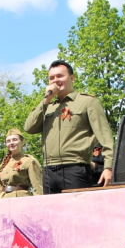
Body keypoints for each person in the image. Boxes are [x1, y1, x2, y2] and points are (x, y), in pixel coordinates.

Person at [24, 59, 114, 193]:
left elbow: (105, 137)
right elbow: (29, 128)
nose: (55, 80)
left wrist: (108, 167)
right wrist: (46, 100)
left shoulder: (88, 102)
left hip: (75, 169)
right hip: (49, 171)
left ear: (72, 78)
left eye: (60, 76)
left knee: (78, 207)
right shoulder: (47, 106)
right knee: (51, 208)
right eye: (51, 78)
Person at [0, 129, 43, 198]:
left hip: (22, 198)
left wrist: (38, 202)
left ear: (22, 142)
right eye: (8, 141)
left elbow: (37, 187)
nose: (11, 143)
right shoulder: (4, 163)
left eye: (15, 140)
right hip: (4, 200)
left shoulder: (29, 161)